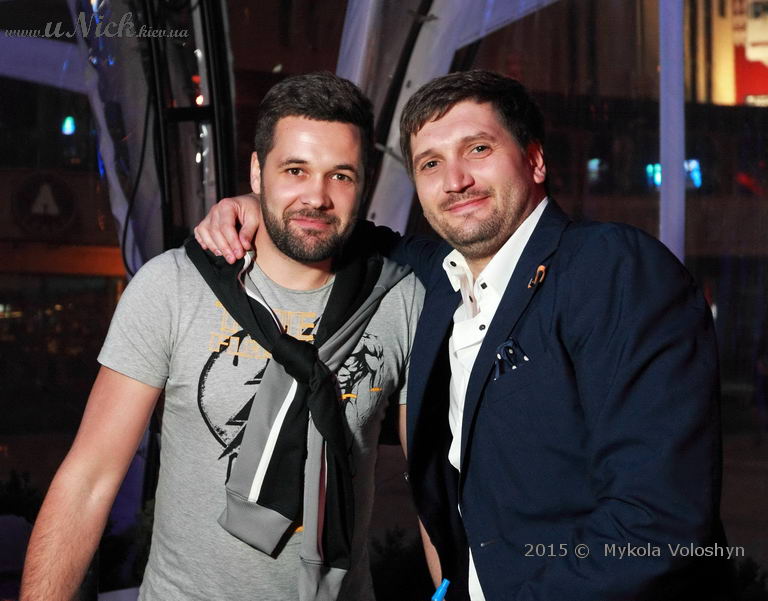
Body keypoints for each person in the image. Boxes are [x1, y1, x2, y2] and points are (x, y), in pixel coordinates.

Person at [194, 70, 729, 600]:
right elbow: (353, 231)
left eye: (477, 149)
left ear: (535, 160)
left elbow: (659, 524)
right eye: (431, 163)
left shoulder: (610, 268)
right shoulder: (441, 277)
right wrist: (259, 203)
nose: (455, 180)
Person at [20, 72, 423, 601]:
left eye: (340, 176)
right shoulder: (173, 286)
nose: (317, 196)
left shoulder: (400, 298)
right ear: (257, 172)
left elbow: (432, 485)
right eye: (295, 170)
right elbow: (89, 477)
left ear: (364, 182)